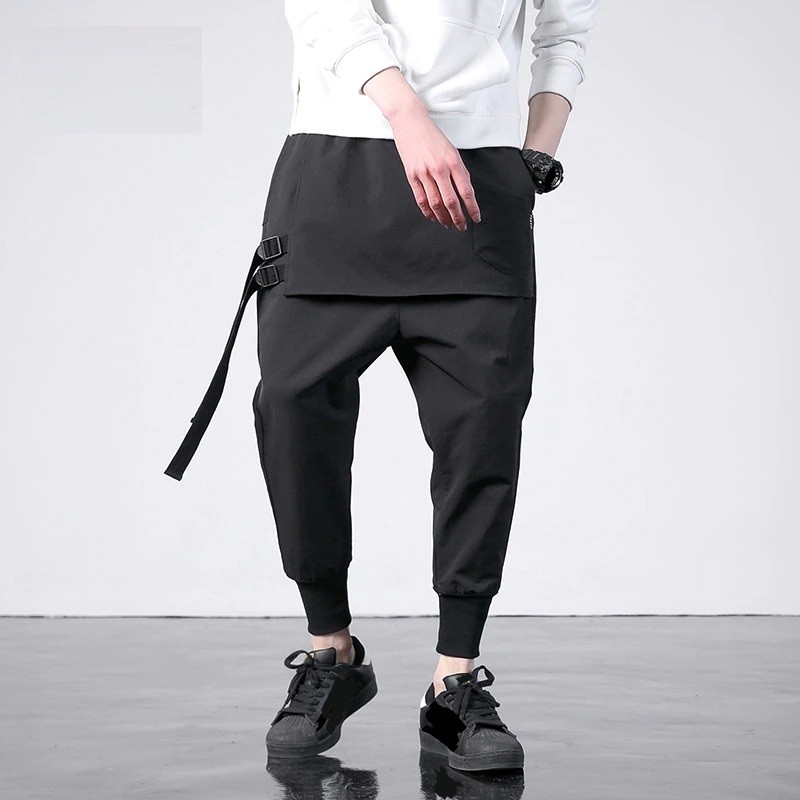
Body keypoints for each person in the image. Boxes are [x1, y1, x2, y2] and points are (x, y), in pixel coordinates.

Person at [166, 0, 597, 773]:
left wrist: (533, 155)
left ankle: (455, 681)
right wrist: (409, 118)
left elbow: (565, 30)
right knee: (291, 406)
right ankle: (331, 650)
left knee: (482, 430)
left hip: (477, 190)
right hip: (338, 174)